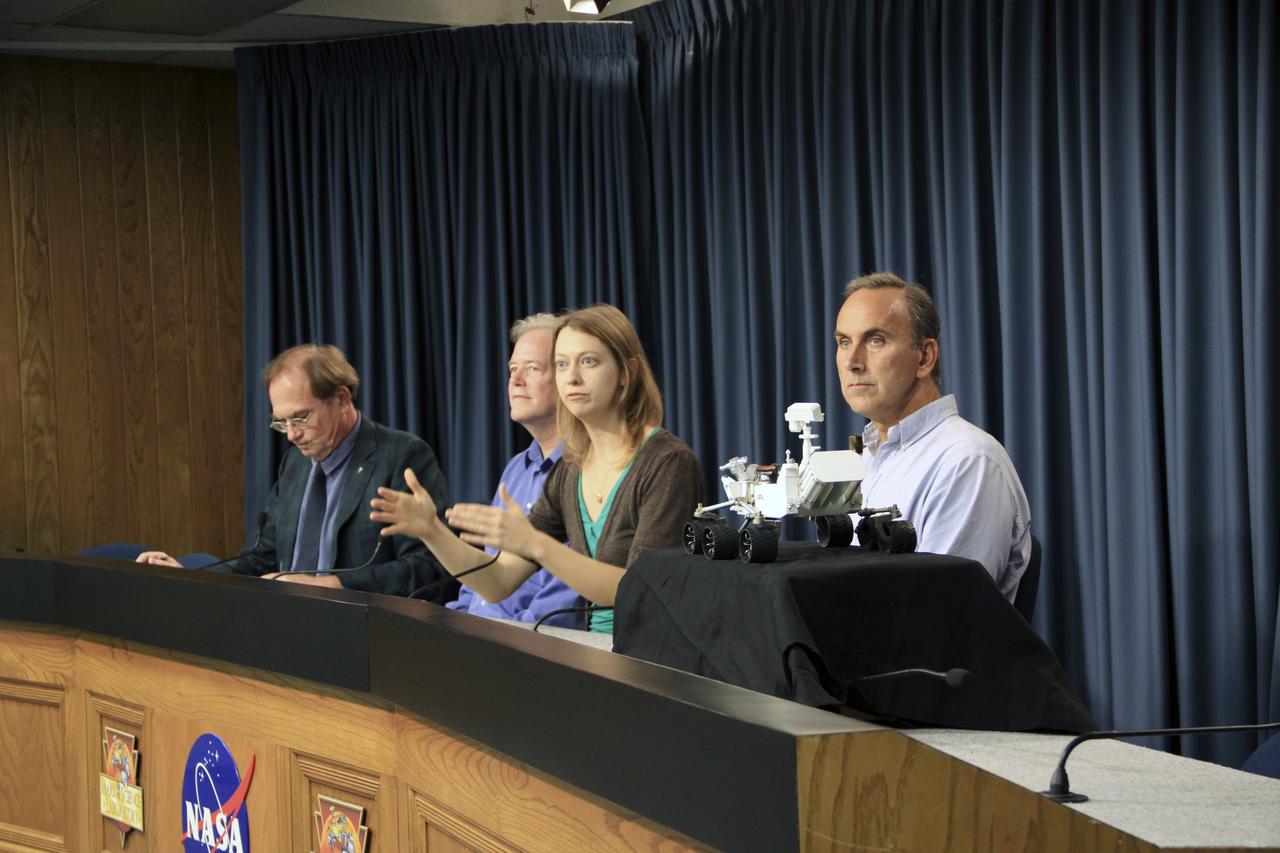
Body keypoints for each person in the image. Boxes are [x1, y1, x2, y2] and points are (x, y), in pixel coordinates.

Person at [371, 304, 703, 633]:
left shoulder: (667, 462)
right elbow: (499, 581)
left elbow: (645, 592)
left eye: (588, 361)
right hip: (596, 651)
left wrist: (536, 544)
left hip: (650, 652)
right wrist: (432, 531)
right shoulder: (570, 470)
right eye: (562, 364)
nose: (572, 377)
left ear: (626, 373)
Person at [138, 344, 455, 600]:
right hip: (288, 624)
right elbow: (262, 558)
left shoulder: (401, 456)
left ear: (342, 399)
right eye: (281, 422)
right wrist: (189, 577)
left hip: (366, 634)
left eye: (301, 418)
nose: (291, 435)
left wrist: (334, 586)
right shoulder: (295, 464)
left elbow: (430, 569)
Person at [834, 272, 1031, 601]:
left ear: (925, 357)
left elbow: (939, 610)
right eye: (844, 342)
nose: (852, 362)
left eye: (875, 340)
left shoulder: (967, 462)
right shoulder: (867, 458)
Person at [446, 313, 583, 627]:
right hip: (479, 635)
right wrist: (452, 622)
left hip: (526, 644)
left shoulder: (584, 472)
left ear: (566, 378)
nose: (516, 380)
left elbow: (557, 614)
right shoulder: (515, 469)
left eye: (532, 368)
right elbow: (481, 577)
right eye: (512, 369)